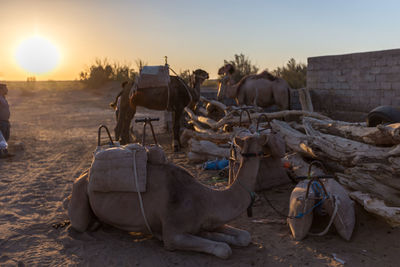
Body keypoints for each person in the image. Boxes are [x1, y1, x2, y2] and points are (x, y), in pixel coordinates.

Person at [0, 83, 11, 157]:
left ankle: (5, 153)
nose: (7, 90)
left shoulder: (3, 97)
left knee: (6, 137)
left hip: (6, 121)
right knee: (2, 138)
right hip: (1, 122)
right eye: (5, 88)